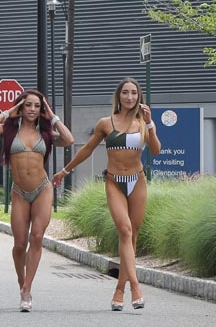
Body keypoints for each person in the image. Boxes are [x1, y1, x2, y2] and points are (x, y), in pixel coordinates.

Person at [53, 77, 160, 311]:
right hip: (114, 181)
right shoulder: (106, 123)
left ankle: (119, 290)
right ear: (118, 96)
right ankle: (135, 287)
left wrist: (150, 124)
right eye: (125, 92)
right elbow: (87, 149)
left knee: (131, 237)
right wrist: (64, 170)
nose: (130, 97)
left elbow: (156, 150)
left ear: (139, 97)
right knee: (125, 230)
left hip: (137, 181)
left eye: (134, 93)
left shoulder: (143, 122)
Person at [0, 90, 74, 312]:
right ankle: (21, 282)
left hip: (42, 189)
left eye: (37, 106)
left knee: (37, 236)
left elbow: (69, 139)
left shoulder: (46, 132)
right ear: (21, 107)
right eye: (28, 105)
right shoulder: (9, 131)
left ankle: (27, 289)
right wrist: (8, 113)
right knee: (19, 244)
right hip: (20, 192)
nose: (32, 109)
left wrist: (53, 116)